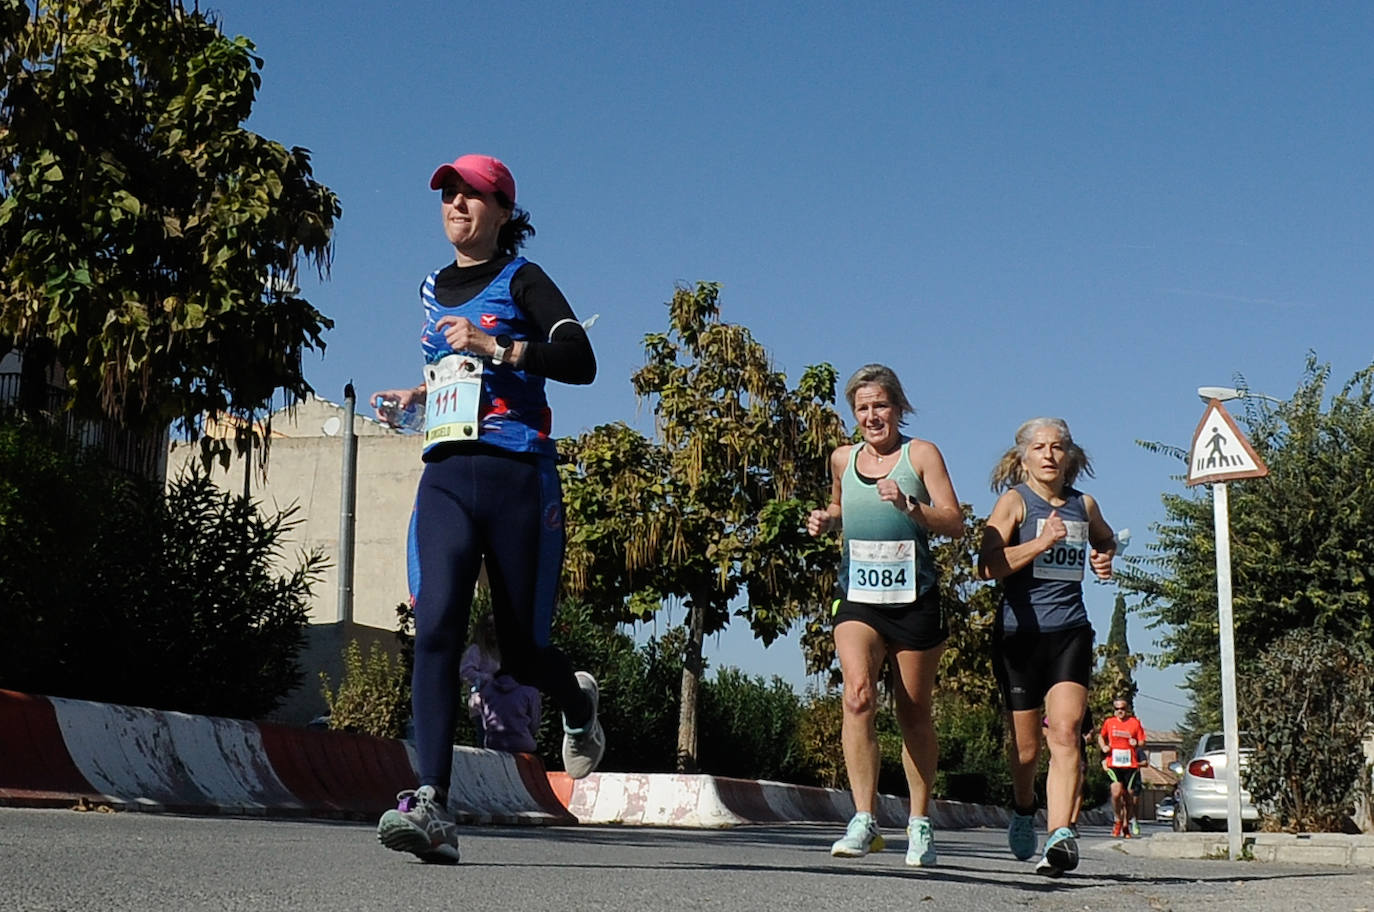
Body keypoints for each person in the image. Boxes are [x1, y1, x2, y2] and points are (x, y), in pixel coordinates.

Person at [373, 154, 604, 864]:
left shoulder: (522, 279)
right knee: (436, 622)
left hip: (517, 476)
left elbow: (580, 359)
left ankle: (576, 700)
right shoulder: (428, 288)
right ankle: (433, 801)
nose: (456, 205)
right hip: (444, 472)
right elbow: (449, 369)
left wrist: (495, 344)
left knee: (522, 651)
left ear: (502, 209)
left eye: (472, 195)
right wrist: (418, 395)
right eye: (448, 194)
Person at [805, 364, 964, 868]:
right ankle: (864, 819)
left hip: (914, 599)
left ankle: (919, 823)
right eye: (863, 408)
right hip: (859, 596)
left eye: (881, 406)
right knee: (857, 696)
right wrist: (826, 518)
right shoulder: (841, 458)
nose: (873, 416)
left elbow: (955, 521)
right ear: (854, 414)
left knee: (913, 713)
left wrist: (912, 505)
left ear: (898, 407)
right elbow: (839, 507)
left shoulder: (921, 454)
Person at [977, 417, 1116, 876]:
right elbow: (988, 566)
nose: (1050, 455)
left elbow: (1105, 537)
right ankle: (1023, 807)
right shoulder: (1015, 502)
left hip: (1070, 631)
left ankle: (1059, 836)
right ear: (1024, 457)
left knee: (1067, 730)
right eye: (1040, 448)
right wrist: (1040, 543)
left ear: (1069, 455)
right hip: (1020, 635)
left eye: (1058, 447)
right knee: (1026, 749)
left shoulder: (1083, 504)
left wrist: (1103, 556)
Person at [1100, 697, 1147, 837]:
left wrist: (1137, 743)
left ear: (1127, 710)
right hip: (1114, 762)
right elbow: (1100, 737)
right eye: (1117, 709)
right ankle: (1118, 820)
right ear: (1114, 710)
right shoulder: (1109, 722)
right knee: (1116, 792)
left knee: (1129, 797)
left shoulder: (1134, 723)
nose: (1120, 711)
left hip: (1130, 764)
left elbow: (1143, 742)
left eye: (1123, 709)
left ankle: (1126, 824)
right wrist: (1104, 746)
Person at [459, 614, 501, 747]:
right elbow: (465, 672)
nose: (492, 630)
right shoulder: (476, 650)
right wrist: (488, 678)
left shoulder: (497, 652)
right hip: (481, 704)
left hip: (499, 705)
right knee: (485, 743)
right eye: (488, 626)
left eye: (495, 626)